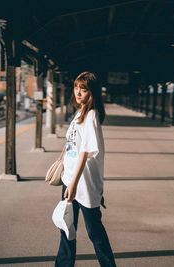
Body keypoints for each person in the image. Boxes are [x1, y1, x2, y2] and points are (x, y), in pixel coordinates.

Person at [55, 72, 116, 267]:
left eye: (84, 89)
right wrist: (67, 176)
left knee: (94, 232)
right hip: (69, 179)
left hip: (83, 184)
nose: (79, 92)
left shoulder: (91, 115)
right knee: (66, 227)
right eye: (76, 88)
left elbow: (85, 152)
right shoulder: (79, 113)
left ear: (93, 93)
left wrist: (73, 183)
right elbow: (72, 146)